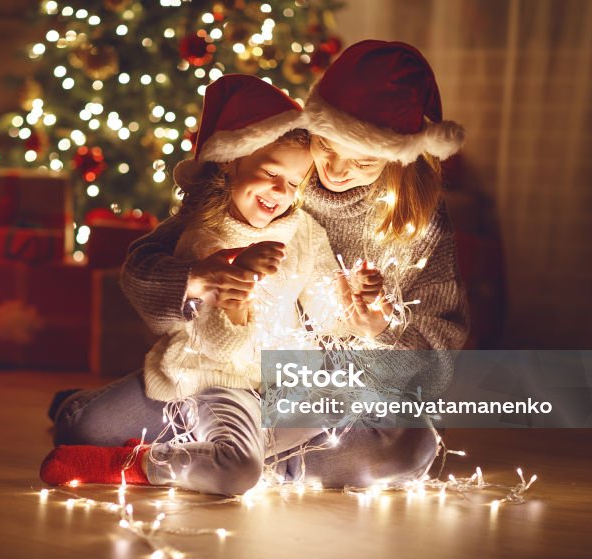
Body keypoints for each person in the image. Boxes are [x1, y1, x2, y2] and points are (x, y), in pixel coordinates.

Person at [44, 40, 466, 495]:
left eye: (362, 161)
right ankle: (240, 458)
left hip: (321, 397)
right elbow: (147, 264)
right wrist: (199, 280)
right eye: (326, 146)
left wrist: (379, 330)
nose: (336, 171)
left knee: (410, 446)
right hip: (219, 377)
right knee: (86, 431)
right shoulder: (269, 166)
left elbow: (433, 361)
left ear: (399, 156)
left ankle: (231, 460)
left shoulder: (416, 220)